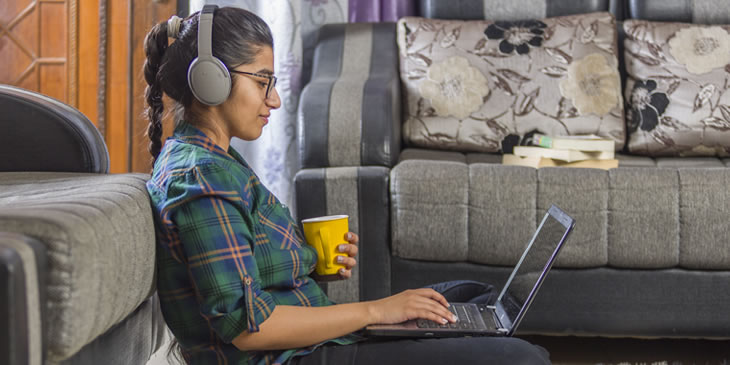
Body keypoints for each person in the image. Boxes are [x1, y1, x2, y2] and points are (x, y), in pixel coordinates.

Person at [144, 6, 551, 365]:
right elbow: (250, 329)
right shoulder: (200, 177)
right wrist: (375, 311)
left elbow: (243, 265)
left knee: (474, 298)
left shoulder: (214, 160)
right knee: (520, 357)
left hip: (308, 342)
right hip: (288, 357)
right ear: (211, 81)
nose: (275, 100)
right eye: (262, 82)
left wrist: (310, 259)